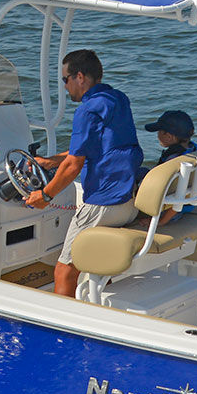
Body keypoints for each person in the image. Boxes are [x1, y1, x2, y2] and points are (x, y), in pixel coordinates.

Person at [25, 49, 144, 296]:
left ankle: (60, 327)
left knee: (64, 271)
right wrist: (51, 162)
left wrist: (44, 196)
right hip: (128, 202)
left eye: (65, 80)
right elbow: (101, 148)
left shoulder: (87, 110)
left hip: (102, 204)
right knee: (99, 265)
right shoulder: (118, 99)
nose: (65, 87)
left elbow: (74, 166)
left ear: (80, 77)